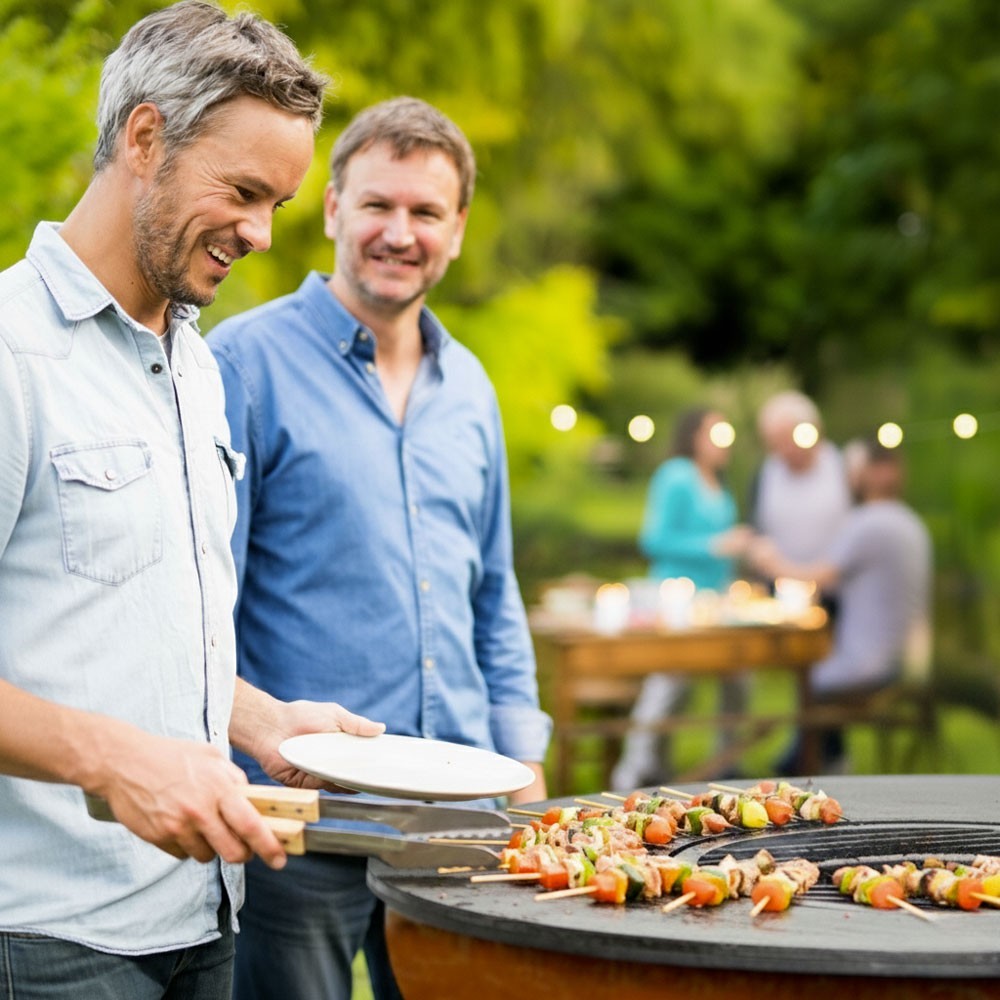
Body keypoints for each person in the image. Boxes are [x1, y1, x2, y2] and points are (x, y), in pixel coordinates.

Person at [0, 5, 385, 998]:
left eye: (280, 204)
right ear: (143, 138)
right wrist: (113, 761)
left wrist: (263, 721)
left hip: (205, 919)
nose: (261, 234)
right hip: (46, 939)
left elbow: (126, 625)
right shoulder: (10, 355)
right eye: (245, 191)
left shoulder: (199, 366)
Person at [207, 96, 552, 1000]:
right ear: (330, 210)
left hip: (461, 824)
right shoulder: (240, 365)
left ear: (459, 229)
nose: (400, 233)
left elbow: (494, 595)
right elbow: (204, 600)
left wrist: (525, 760)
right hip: (303, 825)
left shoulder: (470, 389)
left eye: (425, 212)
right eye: (378, 205)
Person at [750, 438, 933, 772]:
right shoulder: (910, 522)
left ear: (874, 473)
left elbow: (814, 578)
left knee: (811, 677)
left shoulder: (868, 524)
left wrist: (769, 559)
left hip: (874, 665)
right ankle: (824, 757)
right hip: (908, 660)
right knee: (819, 669)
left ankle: (811, 763)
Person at [610, 407, 752, 789]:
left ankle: (727, 764)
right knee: (669, 685)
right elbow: (654, 539)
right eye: (714, 432)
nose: (722, 441)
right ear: (694, 435)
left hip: (718, 602)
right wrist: (716, 544)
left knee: (739, 678)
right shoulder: (674, 475)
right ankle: (633, 771)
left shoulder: (720, 482)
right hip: (676, 601)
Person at [749, 390, 852, 566]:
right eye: (775, 444)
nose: (784, 451)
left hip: (836, 586)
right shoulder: (765, 473)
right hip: (779, 585)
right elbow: (756, 528)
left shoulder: (844, 466)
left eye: (788, 439)